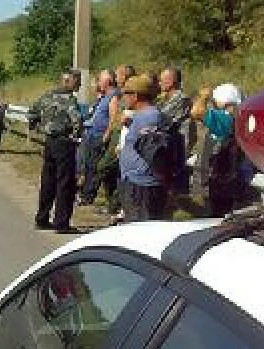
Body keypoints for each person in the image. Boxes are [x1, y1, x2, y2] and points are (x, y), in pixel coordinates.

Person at [28, 72, 84, 234]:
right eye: (77, 82)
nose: (79, 85)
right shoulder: (69, 100)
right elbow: (77, 121)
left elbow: (32, 113)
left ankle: (42, 218)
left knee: (48, 181)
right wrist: (75, 137)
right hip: (64, 143)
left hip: (49, 142)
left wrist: (40, 128)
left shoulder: (46, 96)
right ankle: (61, 222)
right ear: (69, 82)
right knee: (64, 183)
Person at [119, 74, 167, 222]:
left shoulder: (149, 117)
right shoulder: (142, 116)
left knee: (140, 228)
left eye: (126, 93)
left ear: (136, 95)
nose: (123, 97)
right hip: (135, 181)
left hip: (141, 184)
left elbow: (152, 149)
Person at [191, 83, 244, 216]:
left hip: (221, 179)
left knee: (217, 215)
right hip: (224, 177)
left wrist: (203, 97)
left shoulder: (225, 119)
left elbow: (196, 112)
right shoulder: (232, 117)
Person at [79, 69, 118, 205]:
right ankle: (85, 193)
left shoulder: (113, 96)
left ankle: (88, 195)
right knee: (88, 165)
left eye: (101, 80)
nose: (99, 83)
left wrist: (107, 134)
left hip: (99, 135)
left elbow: (113, 118)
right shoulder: (104, 96)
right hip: (92, 133)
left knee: (94, 166)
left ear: (108, 81)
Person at [157, 67, 193, 193]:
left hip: (178, 145)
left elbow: (161, 118)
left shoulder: (181, 99)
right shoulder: (166, 98)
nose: (159, 83)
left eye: (161, 80)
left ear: (171, 81)